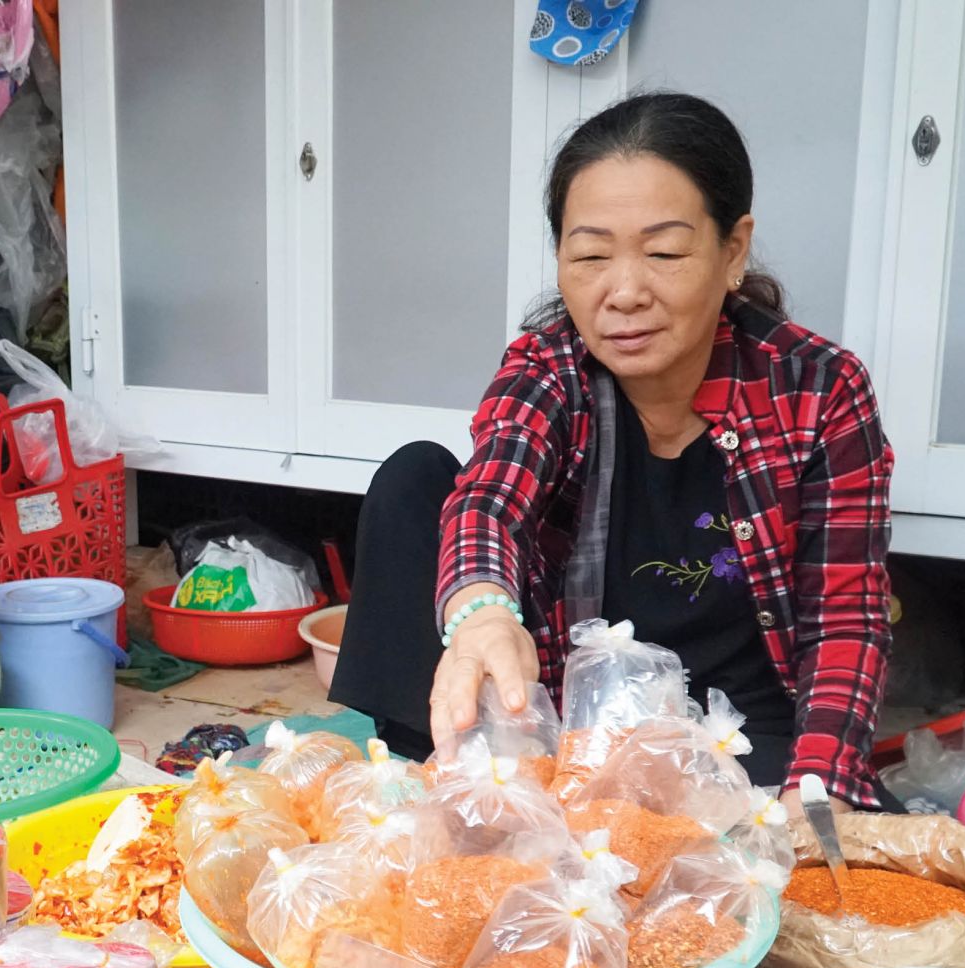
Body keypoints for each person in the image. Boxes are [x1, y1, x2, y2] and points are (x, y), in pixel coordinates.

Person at [330, 92, 897, 814]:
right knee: (417, 480)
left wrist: (819, 794)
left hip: (739, 732)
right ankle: (440, 779)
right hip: (576, 722)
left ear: (732, 251)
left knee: (808, 858)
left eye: (663, 252)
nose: (624, 292)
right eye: (591, 255)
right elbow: (490, 497)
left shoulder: (819, 389)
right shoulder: (548, 369)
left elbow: (846, 616)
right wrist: (482, 615)